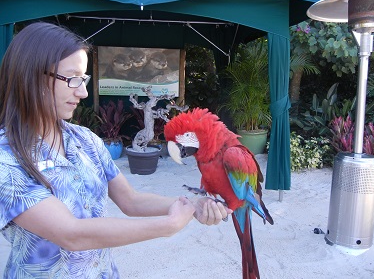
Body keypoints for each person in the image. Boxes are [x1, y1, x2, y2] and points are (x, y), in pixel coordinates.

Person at [0, 22, 232, 278]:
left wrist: (192, 205)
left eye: (84, 78)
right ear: (33, 76)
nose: (83, 91)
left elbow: (129, 200)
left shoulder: (84, 139)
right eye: (73, 79)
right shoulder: (7, 158)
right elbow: (71, 234)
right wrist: (167, 226)